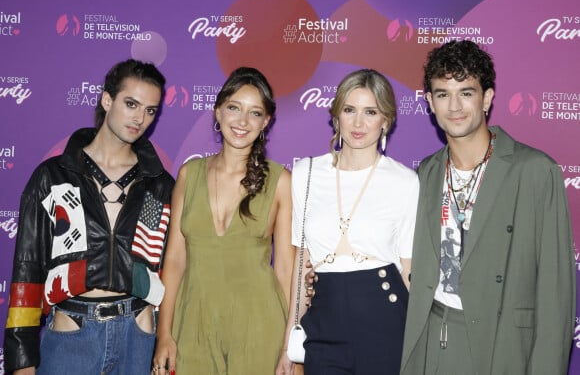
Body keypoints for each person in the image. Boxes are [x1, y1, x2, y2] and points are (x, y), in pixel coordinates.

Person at [400, 40, 576, 374]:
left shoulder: (535, 170)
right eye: (442, 94)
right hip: (433, 342)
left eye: (466, 92)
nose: (454, 106)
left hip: (503, 345)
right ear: (429, 103)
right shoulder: (426, 172)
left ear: (488, 98)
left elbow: (556, 292)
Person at [4, 59, 175, 374]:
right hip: (72, 333)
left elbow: (167, 268)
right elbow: (28, 269)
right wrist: (22, 359)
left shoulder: (158, 184)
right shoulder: (53, 176)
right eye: (131, 103)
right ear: (107, 100)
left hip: (137, 336)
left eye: (150, 110)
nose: (140, 117)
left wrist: (164, 342)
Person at [276, 69, 420, 375]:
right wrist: (290, 338)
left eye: (371, 112)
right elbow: (302, 264)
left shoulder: (405, 181)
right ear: (336, 116)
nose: (358, 123)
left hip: (385, 317)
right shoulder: (306, 173)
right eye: (349, 110)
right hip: (324, 322)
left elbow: (408, 269)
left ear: (386, 120)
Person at [152, 67, 294, 374]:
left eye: (255, 113)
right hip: (192, 325)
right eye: (234, 108)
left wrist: (289, 349)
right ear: (218, 112)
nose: (242, 122)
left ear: (266, 122)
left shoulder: (281, 181)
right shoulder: (190, 176)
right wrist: (164, 334)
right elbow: (174, 260)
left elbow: (286, 269)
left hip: (259, 325)